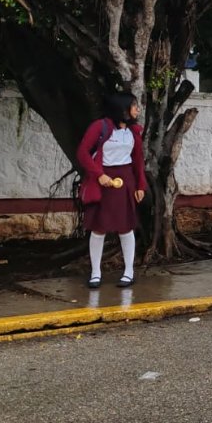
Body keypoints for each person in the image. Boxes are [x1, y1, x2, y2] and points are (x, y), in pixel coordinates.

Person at [76, 92, 147, 288]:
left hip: (126, 181)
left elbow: (138, 160)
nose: (137, 109)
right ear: (122, 109)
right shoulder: (100, 127)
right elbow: (83, 153)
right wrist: (99, 174)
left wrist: (141, 185)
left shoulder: (133, 131)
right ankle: (96, 272)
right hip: (104, 180)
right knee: (99, 228)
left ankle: (129, 271)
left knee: (126, 227)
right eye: (134, 106)